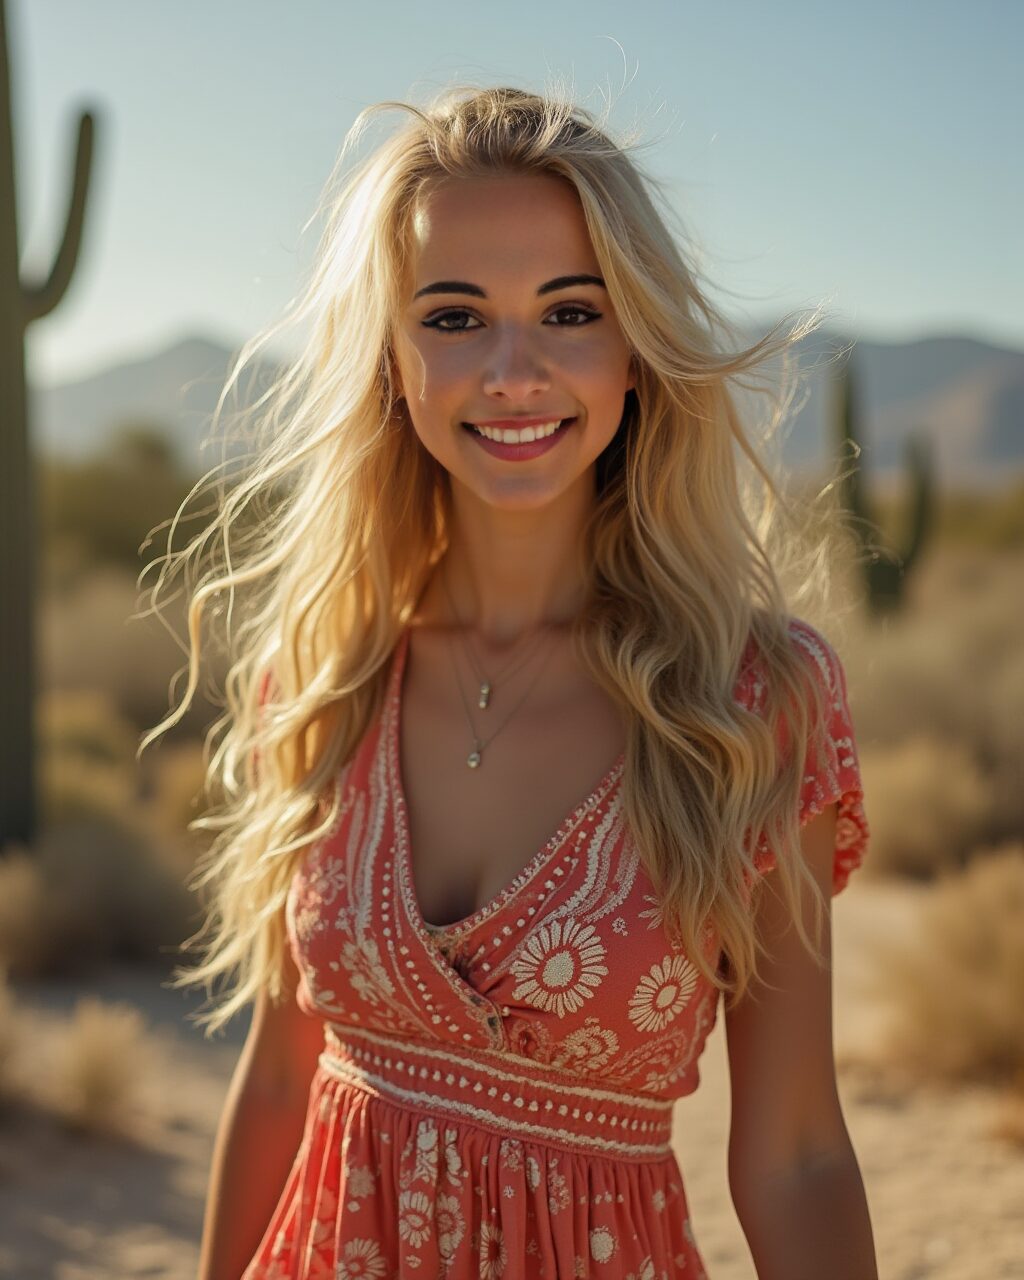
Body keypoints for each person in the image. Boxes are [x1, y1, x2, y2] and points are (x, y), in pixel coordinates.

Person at [145, 85, 877, 1279]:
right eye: (454, 315)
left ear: (634, 348)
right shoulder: (325, 673)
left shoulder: (754, 699)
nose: (514, 369)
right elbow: (281, 1073)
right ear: (393, 354)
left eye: (570, 310)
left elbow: (794, 1149)